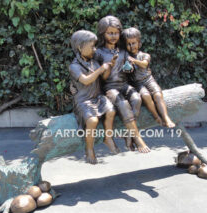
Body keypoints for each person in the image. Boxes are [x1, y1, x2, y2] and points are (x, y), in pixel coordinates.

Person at [95, 16, 150, 153]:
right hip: (109, 88)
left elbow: (128, 71)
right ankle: (137, 138)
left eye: (116, 33)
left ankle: (129, 134)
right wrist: (110, 66)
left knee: (137, 98)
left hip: (124, 84)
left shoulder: (123, 51)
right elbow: (101, 78)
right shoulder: (99, 52)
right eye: (110, 33)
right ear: (103, 33)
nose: (113, 36)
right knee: (123, 103)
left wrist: (129, 67)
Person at [69, 30, 119, 164]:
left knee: (111, 111)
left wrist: (109, 67)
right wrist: (101, 69)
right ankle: (89, 149)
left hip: (97, 97)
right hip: (83, 100)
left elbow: (104, 77)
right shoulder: (74, 66)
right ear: (80, 47)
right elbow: (85, 80)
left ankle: (108, 138)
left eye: (94, 46)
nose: (94, 49)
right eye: (91, 46)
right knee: (92, 121)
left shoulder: (93, 62)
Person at [122, 27, 175, 128]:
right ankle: (156, 116)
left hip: (148, 80)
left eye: (133, 43)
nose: (131, 46)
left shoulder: (145, 55)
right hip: (137, 83)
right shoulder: (125, 58)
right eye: (128, 44)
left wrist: (134, 60)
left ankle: (166, 117)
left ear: (139, 43)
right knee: (145, 95)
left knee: (158, 94)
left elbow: (144, 65)